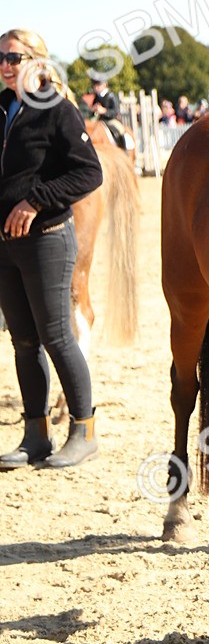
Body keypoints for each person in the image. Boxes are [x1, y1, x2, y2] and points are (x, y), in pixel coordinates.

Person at [0, 29, 103, 469]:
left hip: (47, 239)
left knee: (57, 337)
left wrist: (35, 199)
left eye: (13, 56)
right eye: (0, 57)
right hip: (5, 246)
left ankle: (83, 431)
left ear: (36, 61)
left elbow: (88, 174)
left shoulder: (57, 110)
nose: (5, 64)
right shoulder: (2, 109)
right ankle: (35, 437)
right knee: (23, 341)